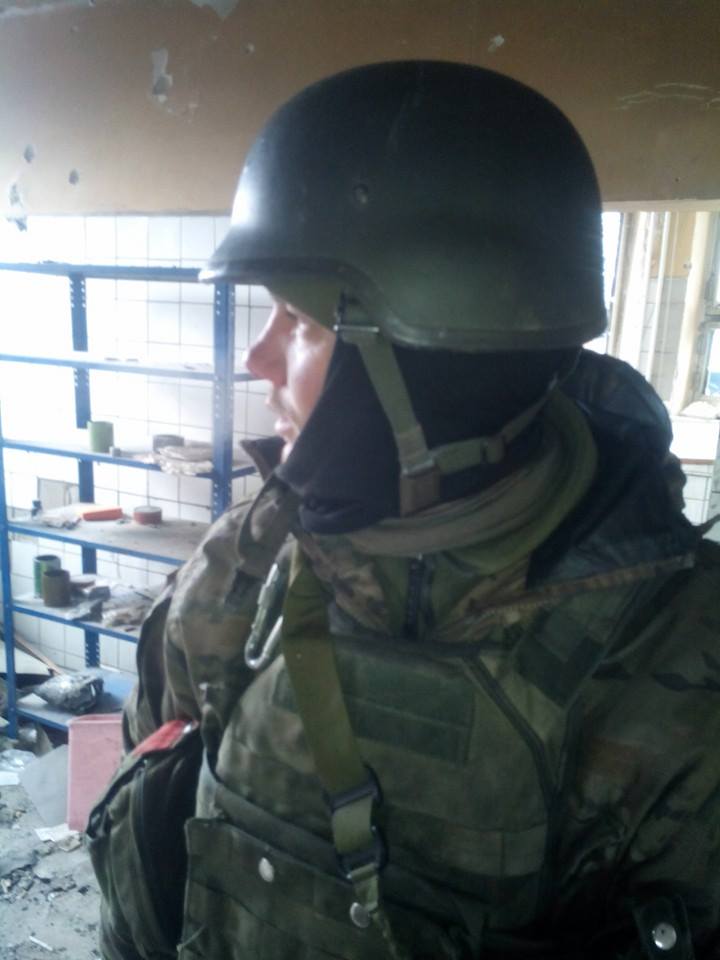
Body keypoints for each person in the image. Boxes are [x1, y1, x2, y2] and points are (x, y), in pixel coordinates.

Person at [88, 61, 720, 960]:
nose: (257, 360)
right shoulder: (243, 566)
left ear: (433, 368)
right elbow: (143, 849)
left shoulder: (681, 665)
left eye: (301, 325)